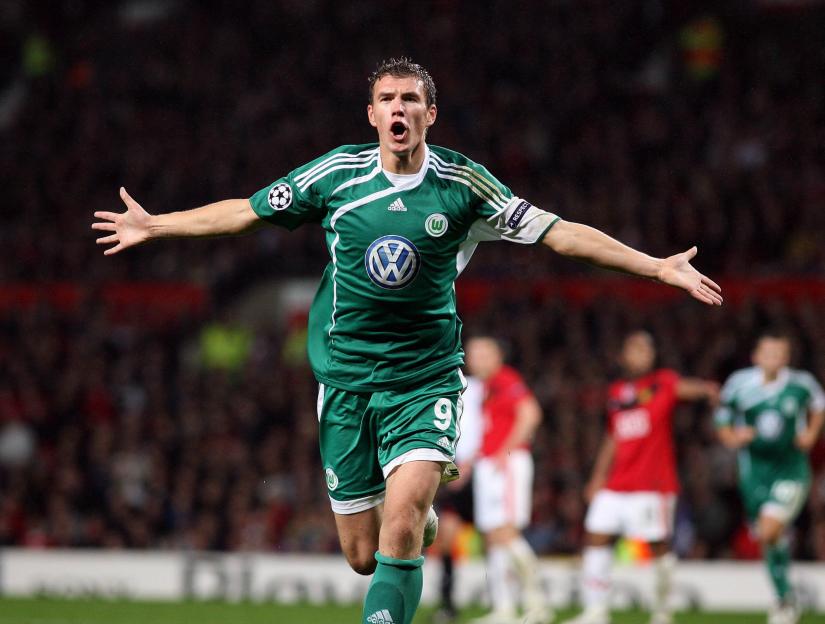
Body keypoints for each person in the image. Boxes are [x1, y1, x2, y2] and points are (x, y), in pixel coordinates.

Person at [92, 57, 722, 624]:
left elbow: (559, 232)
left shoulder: (463, 184)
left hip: (425, 381)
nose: (399, 108)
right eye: (388, 99)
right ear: (372, 114)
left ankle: (411, 522)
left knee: (400, 525)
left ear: (430, 114)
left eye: (411, 99)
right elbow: (246, 211)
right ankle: (414, 524)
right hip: (345, 381)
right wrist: (158, 225)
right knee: (364, 556)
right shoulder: (337, 176)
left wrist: (655, 266)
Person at [562, 330, 719, 624]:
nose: (641, 355)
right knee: (595, 536)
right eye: (635, 349)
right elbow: (613, 436)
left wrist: (709, 390)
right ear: (623, 357)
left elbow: (688, 388)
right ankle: (596, 611)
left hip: (653, 485)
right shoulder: (617, 392)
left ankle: (663, 611)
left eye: (646, 350)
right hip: (617, 483)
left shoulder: (663, 383)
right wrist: (598, 477)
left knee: (658, 546)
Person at [715, 331, 825, 624]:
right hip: (753, 473)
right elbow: (722, 417)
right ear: (756, 357)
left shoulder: (801, 384)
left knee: (768, 530)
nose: (773, 358)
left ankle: (784, 600)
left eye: (779, 354)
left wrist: (811, 433)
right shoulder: (739, 384)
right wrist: (732, 436)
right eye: (768, 353)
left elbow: (819, 405)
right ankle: (785, 599)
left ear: (786, 358)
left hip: (791, 470)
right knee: (769, 538)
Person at [464, 336, 550, 624]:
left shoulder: (506, 379)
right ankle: (504, 609)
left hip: (507, 465)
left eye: (483, 354)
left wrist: (506, 450)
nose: (477, 360)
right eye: (474, 354)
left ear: (497, 356)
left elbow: (531, 413)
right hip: (488, 464)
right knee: (492, 536)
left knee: (506, 532)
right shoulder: (483, 388)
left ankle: (538, 603)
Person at [429, 373, 483, 624]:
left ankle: (505, 601)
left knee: (495, 537)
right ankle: (448, 604)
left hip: (482, 472)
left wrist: (470, 466)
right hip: (455, 470)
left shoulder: (485, 388)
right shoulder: (442, 382)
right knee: (447, 537)